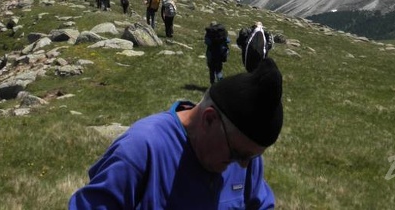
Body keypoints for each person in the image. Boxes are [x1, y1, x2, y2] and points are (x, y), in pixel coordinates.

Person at [67, 58, 284, 209]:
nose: (244, 166)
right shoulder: (140, 151)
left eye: (252, 157)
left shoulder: (246, 158)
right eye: (237, 154)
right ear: (209, 119)